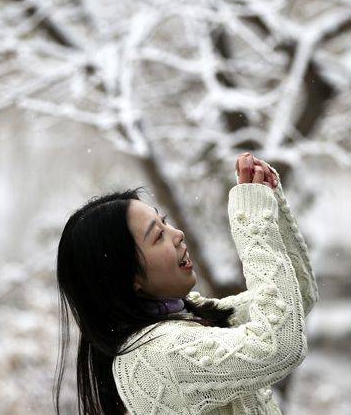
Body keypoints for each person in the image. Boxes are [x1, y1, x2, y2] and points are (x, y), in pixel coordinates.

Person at [54, 153, 319, 414]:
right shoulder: (156, 356)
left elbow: (299, 296)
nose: (177, 234)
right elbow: (278, 346)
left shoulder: (189, 317)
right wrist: (252, 223)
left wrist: (267, 203)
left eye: (165, 223)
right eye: (158, 236)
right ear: (128, 277)